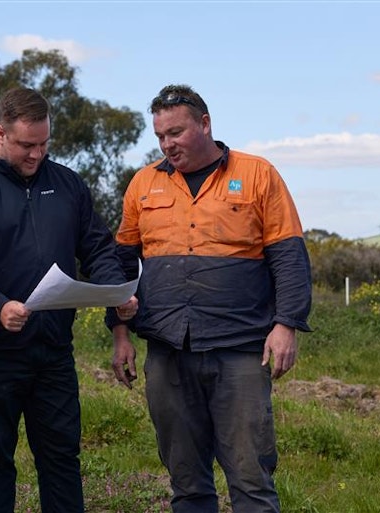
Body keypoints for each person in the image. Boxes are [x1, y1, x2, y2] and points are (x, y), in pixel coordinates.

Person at [106, 84, 312, 513]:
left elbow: (289, 257)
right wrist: (120, 333)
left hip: (240, 349)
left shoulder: (258, 174)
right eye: (160, 136)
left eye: (176, 133)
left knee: (251, 477)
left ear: (204, 124)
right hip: (167, 350)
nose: (167, 144)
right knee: (185, 480)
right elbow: (121, 265)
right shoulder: (143, 183)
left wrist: (286, 324)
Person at [0, 86, 138, 513]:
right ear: (1, 133)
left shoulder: (67, 184)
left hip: (53, 352)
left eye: (44, 144)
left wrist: (115, 292)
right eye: (27, 145)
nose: (37, 154)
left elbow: (98, 248)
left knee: (62, 457)